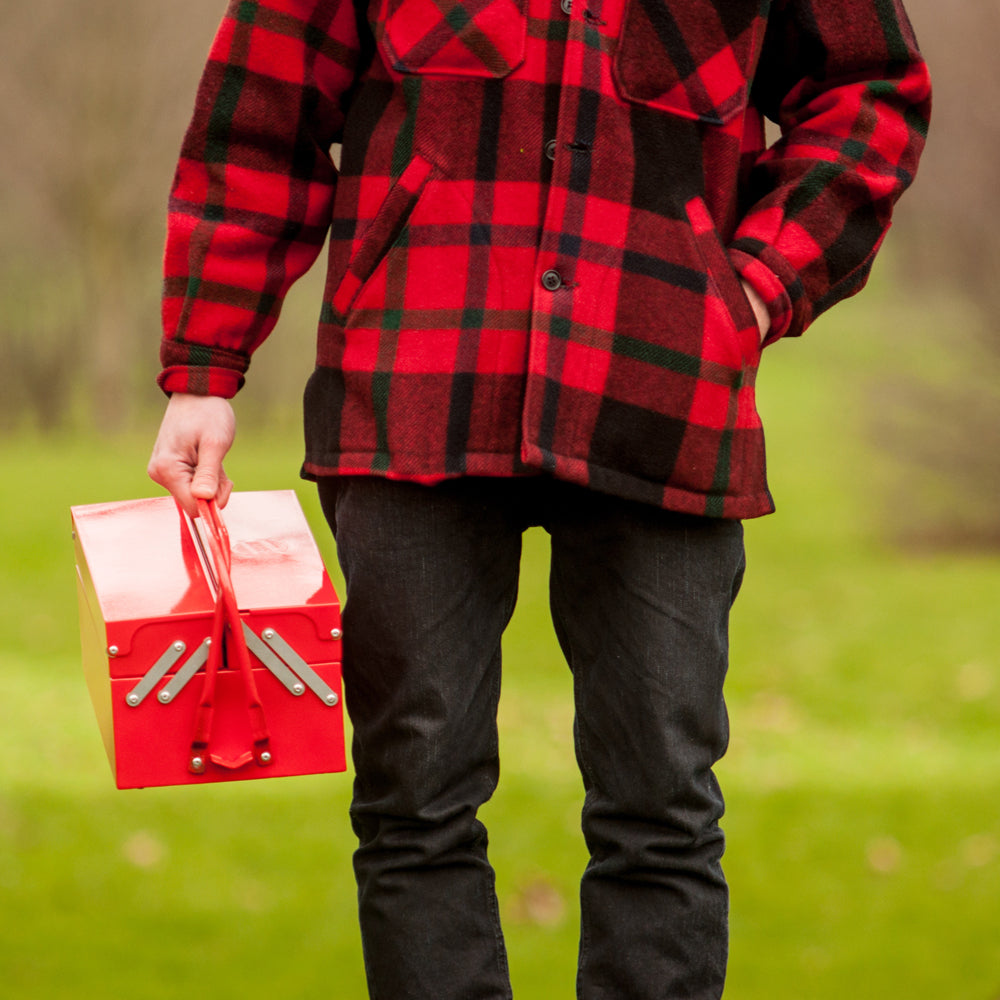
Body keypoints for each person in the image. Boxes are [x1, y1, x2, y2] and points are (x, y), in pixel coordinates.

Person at [148, 1, 930, 996]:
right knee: (412, 802)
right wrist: (205, 367)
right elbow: (257, 117)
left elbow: (870, 94)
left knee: (662, 808)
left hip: (662, 386)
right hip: (411, 384)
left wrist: (761, 280)